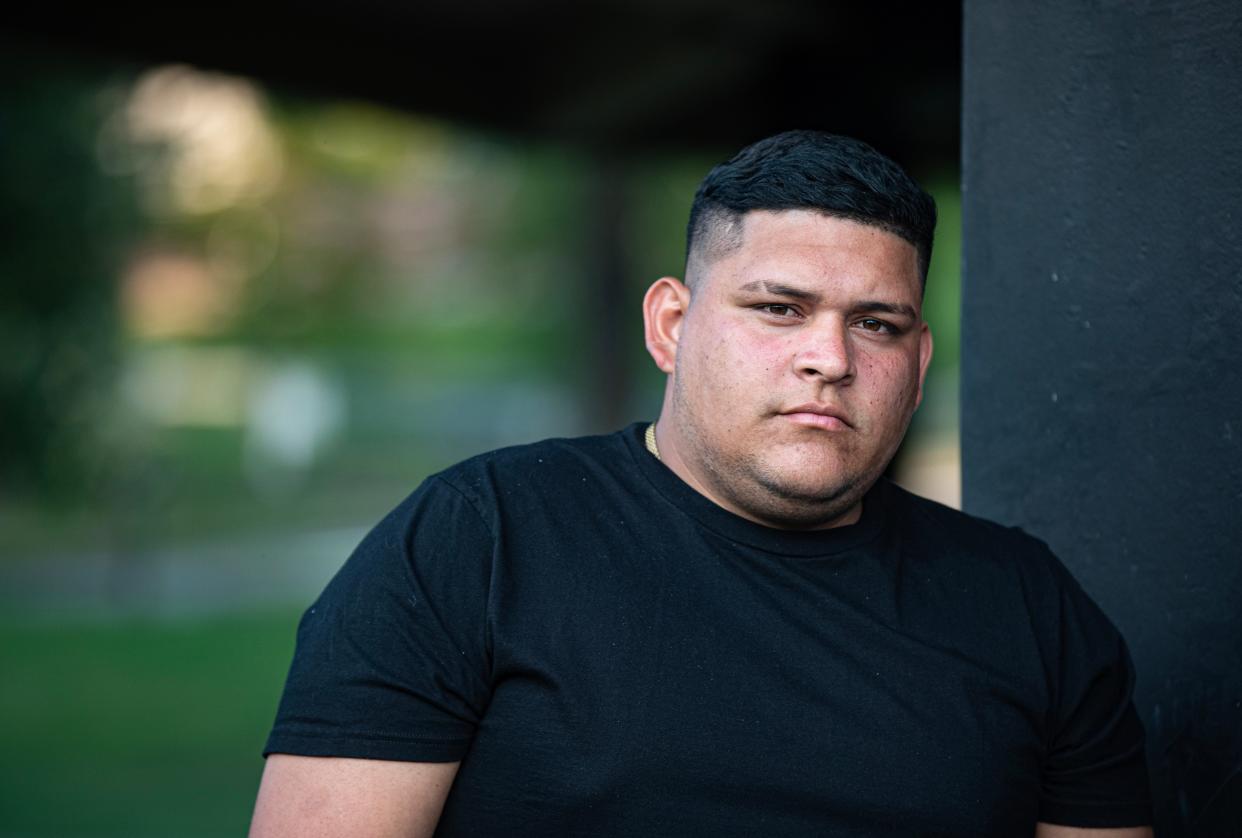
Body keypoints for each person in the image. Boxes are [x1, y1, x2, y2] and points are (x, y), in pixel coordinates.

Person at [249, 131, 1153, 837]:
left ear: (917, 365)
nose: (827, 359)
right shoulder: (477, 540)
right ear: (672, 325)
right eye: (779, 309)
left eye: (875, 324)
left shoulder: (1029, 607)